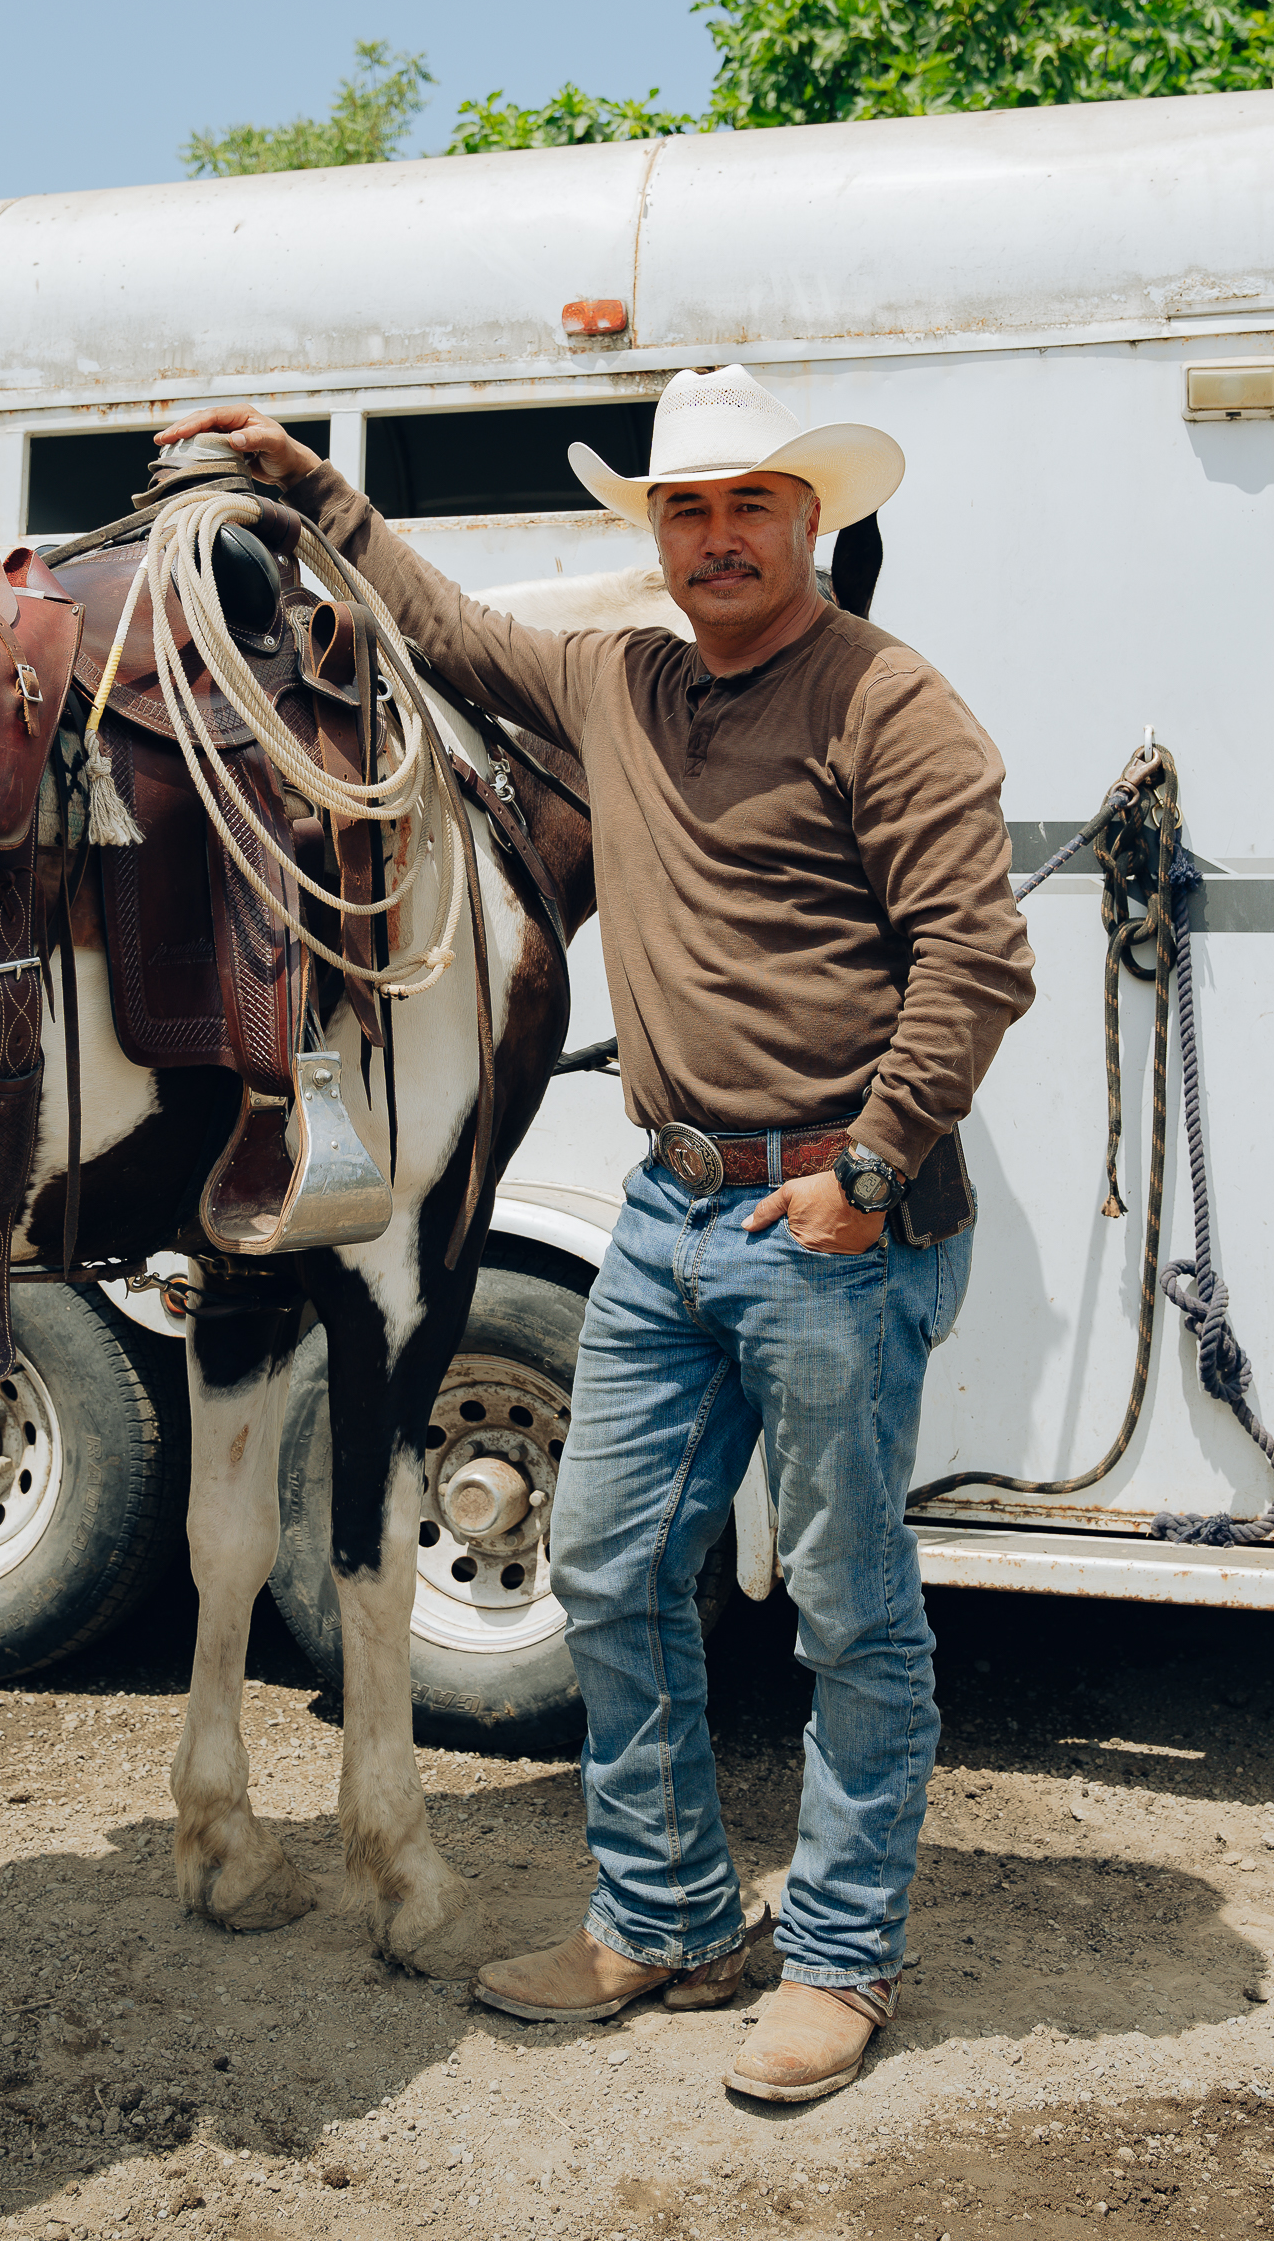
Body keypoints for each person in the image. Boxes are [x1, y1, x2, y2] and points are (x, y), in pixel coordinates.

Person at [157, 365, 1034, 2102]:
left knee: (854, 1614)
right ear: (655, 535)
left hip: (830, 1221)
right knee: (610, 1570)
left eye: (751, 507)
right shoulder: (619, 683)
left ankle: (842, 1963)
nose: (716, 539)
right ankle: (668, 1921)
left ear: (813, 523)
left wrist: (864, 1176)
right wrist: (307, 487)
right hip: (673, 1206)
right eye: (686, 511)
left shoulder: (890, 704)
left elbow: (977, 961)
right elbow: (444, 628)